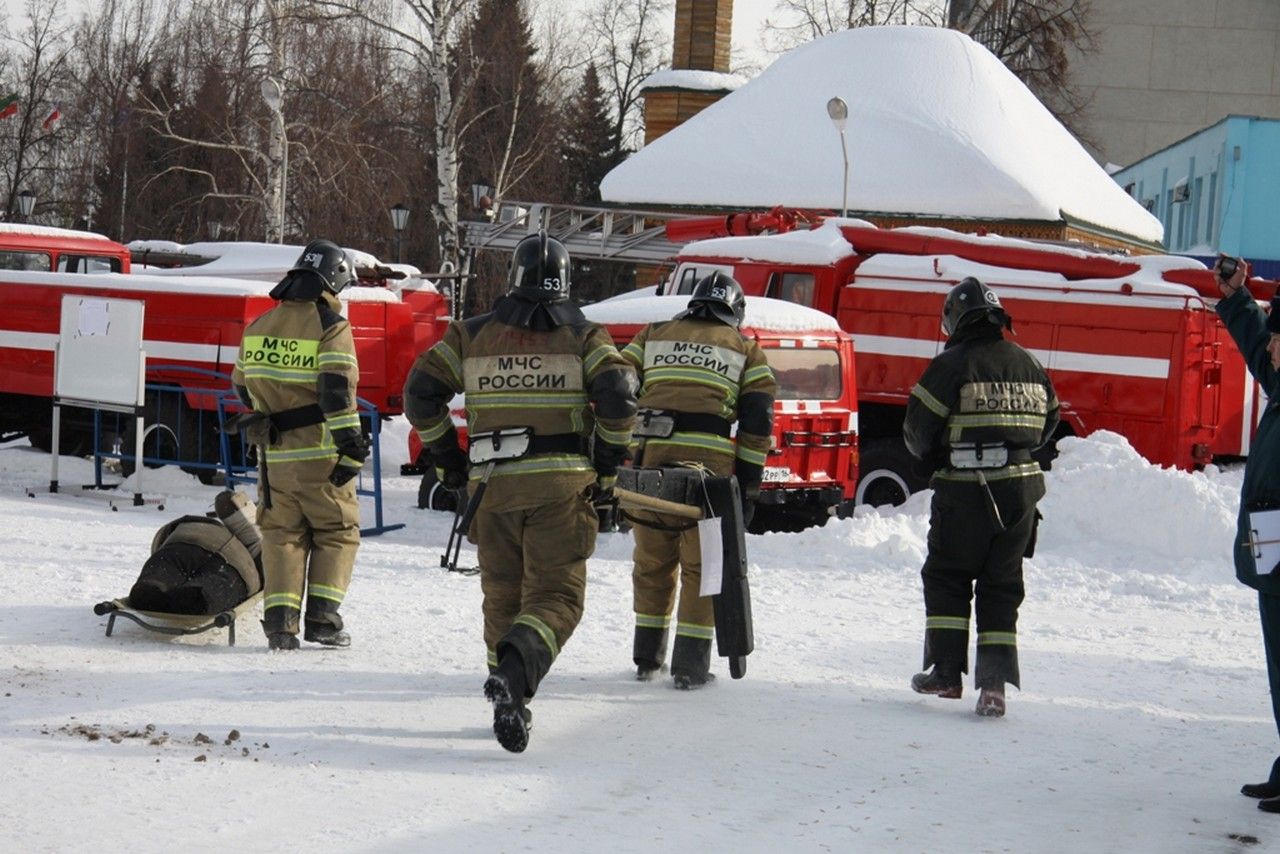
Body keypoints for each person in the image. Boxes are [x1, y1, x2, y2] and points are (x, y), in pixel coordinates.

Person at [402, 231, 637, 753]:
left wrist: (449, 462)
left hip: (492, 492)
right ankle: (514, 679)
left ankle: (508, 700)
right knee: (556, 598)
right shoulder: (585, 335)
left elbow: (420, 392)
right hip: (561, 487)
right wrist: (604, 467)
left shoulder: (471, 334)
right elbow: (619, 396)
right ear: (566, 282)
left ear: (513, 278)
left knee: (502, 600)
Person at [903, 276, 1059, 717]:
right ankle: (993, 687)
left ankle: (947, 673)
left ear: (955, 321)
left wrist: (937, 457)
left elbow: (917, 433)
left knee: (948, 576)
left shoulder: (951, 365)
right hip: (1022, 491)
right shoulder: (1028, 363)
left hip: (966, 491)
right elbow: (1051, 421)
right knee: (1002, 585)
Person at [620, 272, 776, 689]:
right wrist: (747, 487)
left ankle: (647, 660)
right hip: (707, 480)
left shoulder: (652, 334)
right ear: (735, 313)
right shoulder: (748, 351)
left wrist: (621, 444)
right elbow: (757, 422)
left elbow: (619, 385)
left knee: (652, 564)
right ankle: (690, 667)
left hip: (648, 471)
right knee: (703, 568)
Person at [231, 239, 367, 651]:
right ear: (335, 279)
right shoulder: (331, 327)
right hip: (322, 455)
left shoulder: (258, 327)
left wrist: (273, 409)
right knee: (337, 532)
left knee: (282, 536)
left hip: (274, 458)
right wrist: (352, 447)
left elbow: (241, 388)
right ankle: (324, 621)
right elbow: (336, 393)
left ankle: (280, 626)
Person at [1213, 255, 1280, 812]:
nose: (1274, 348)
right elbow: (1259, 349)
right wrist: (1237, 297)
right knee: (1279, 657)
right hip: (1272, 536)